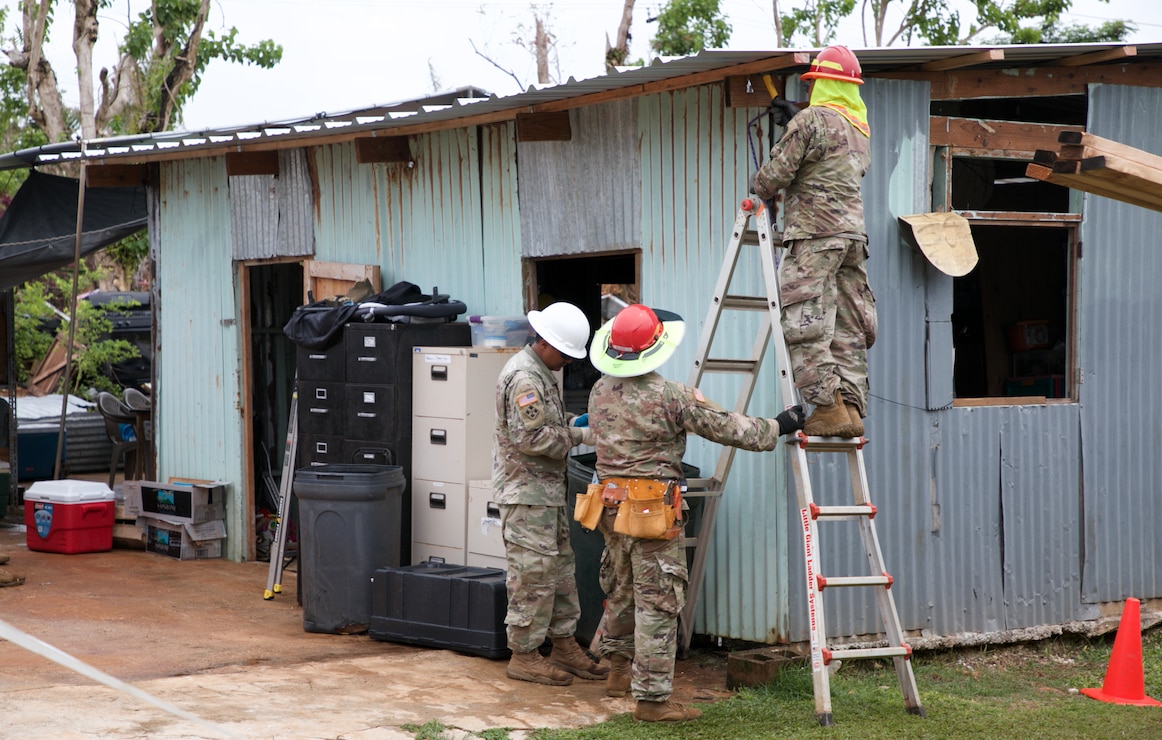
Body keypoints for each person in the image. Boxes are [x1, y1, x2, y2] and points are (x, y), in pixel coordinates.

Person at [587, 304, 805, 722]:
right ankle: (651, 702)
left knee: (621, 588)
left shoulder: (600, 392)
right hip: (651, 514)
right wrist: (779, 425)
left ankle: (617, 672)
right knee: (659, 603)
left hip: (610, 508)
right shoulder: (672, 396)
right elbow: (732, 429)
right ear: (655, 347)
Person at [750, 44, 877, 438]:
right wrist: (797, 122)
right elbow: (828, 156)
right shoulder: (859, 129)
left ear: (820, 83)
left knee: (803, 320)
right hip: (852, 238)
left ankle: (826, 406)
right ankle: (850, 407)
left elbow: (770, 180)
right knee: (848, 325)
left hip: (815, 235)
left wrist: (790, 132)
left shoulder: (810, 121)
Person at [492, 301, 609, 686]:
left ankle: (563, 645)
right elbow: (532, 438)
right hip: (526, 497)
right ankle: (524, 654)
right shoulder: (526, 378)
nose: (567, 362)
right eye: (564, 353)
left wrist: (571, 423)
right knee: (533, 576)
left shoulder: (541, 372)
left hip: (545, 494)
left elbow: (544, 424)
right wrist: (581, 435)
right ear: (544, 343)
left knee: (559, 571)